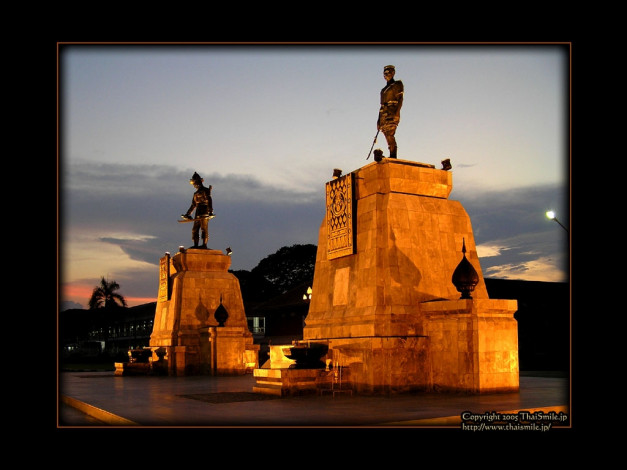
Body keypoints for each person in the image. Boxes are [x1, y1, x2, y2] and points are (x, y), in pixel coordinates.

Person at [377, 65, 404, 158]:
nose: (386, 74)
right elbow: (381, 106)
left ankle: (393, 154)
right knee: (385, 133)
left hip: (392, 111)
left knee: (390, 134)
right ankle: (391, 152)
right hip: (384, 114)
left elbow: (400, 99)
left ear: (393, 73)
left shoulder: (397, 84)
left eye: (388, 72)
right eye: (385, 73)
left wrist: (397, 113)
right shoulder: (383, 90)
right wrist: (378, 120)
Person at [181, 172, 214, 248]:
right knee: (195, 229)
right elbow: (193, 205)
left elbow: (209, 200)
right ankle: (195, 245)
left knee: (204, 229)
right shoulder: (195, 193)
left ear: (198, 182)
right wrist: (188, 214)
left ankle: (204, 245)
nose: (194, 185)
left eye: (194, 183)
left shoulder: (206, 190)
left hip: (204, 212)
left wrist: (210, 211)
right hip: (198, 212)